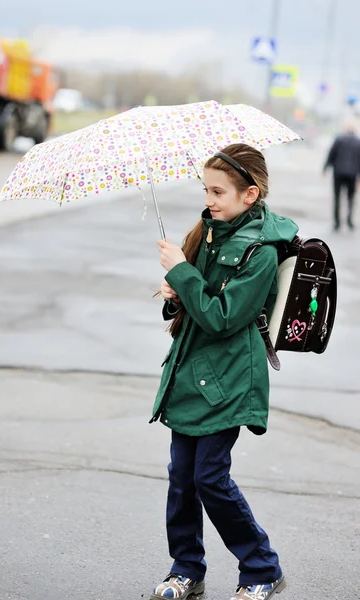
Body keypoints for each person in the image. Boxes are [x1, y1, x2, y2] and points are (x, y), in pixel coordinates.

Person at [150, 143, 299, 600]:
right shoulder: (210, 231)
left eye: (218, 191)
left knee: (209, 478)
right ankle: (186, 568)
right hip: (192, 372)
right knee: (182, 477)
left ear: (250, 194)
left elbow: (222, 318)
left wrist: (182, 274)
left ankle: (261, 567)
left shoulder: (261, 250)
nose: (209, 199)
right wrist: (176, 292)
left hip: (231, 378)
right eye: (206, 189)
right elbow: (199, 304)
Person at [323, 121, 360, 230]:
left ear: (345, 128)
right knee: (351, 198)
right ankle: (349, 220)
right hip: (353, 174)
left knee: (337, 197)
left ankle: (337, 222)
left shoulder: (339, 139)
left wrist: (325, 167)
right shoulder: (358, 141)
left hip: (338, 173)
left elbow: (331, 154)